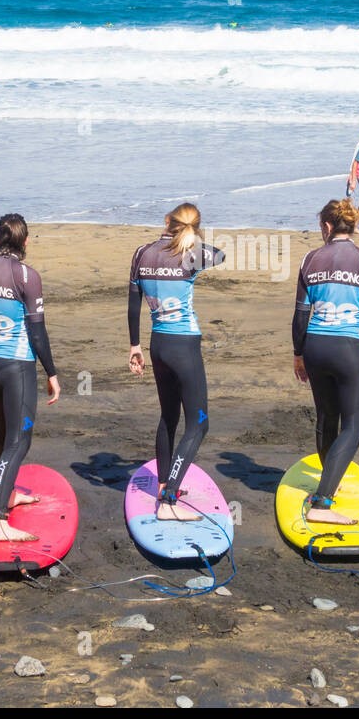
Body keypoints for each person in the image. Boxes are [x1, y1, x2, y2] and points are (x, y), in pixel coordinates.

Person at [292, 199, 359, 524]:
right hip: (350, 349)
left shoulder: (310, 259)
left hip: (316, 347)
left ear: (328, 227)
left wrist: (298, 353)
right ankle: (322, 502)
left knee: (326, 416)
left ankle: (327, 479)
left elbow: (300, 315)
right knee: (355, 421)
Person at [127, 204, 225, 521]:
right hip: (184, 345)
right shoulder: (192, 254)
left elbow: (133, 306)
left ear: (166, 221)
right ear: (193, 228)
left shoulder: (142, 253)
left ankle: (164, 484)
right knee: (198, 423)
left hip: (157, 345)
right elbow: (221, 255)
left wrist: (134, 346)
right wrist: (191, 238)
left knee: (169, 416)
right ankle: (168, 501)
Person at [0, 214, 61, 541]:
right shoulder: (27, 276)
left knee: (3, 431)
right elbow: (37, 333)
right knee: (19, 439)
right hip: (16, 364)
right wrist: (51, 372)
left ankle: (6, 495)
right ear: (25, 243)